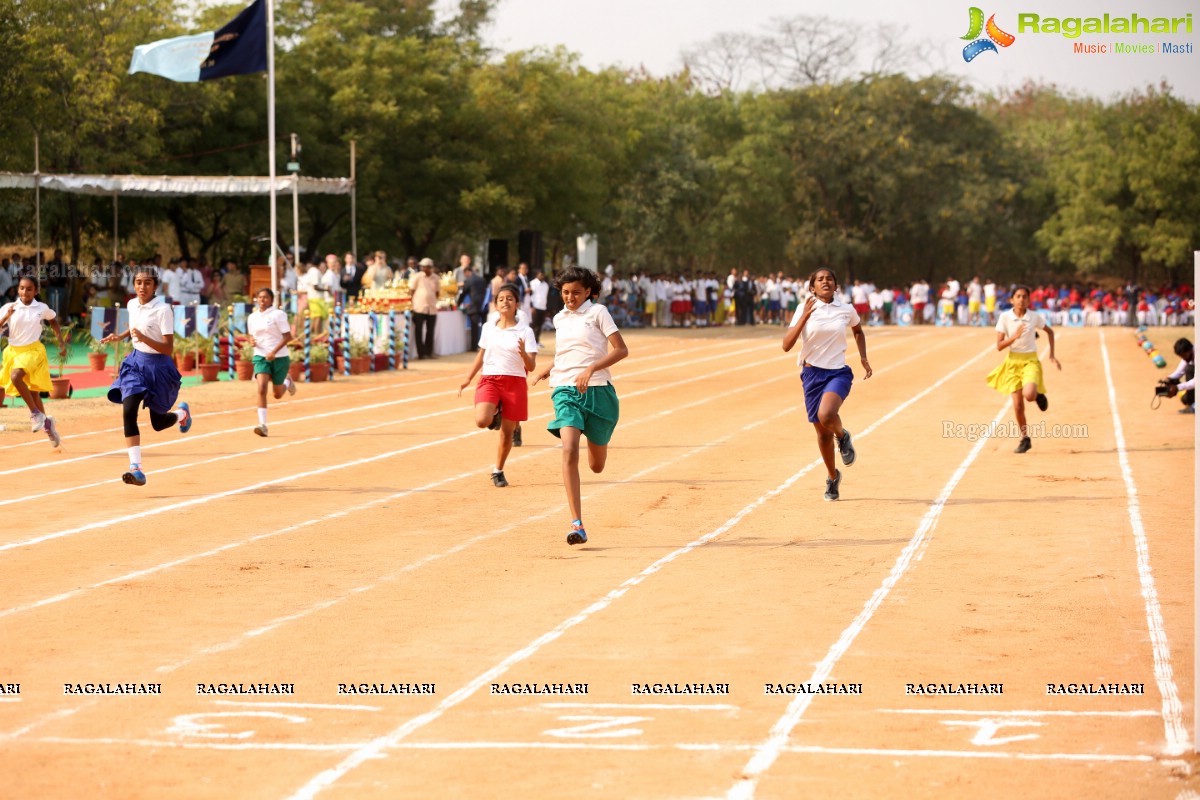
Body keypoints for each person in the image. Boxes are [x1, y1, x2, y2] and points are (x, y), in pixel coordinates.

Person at [531, 266, 629, 545]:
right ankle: (577, 523)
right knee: (569, 448)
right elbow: (566, 354)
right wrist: (546, 369)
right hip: (565, 391)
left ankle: (598, 440)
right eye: (565, 293)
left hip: (598, 393)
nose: (570, 298)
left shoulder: (599, 313)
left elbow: (621, 350)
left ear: (588, 292)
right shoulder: (560, 317)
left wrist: (591, 369)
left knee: (597, 466)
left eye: (576, 292)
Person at [782, 267, 871, 501]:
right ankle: (833, 478)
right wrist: (803, 317)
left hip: (838, 373)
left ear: (836, 285)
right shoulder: (804, 308)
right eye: (820, 280)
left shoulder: (846, 309)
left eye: (829, 278)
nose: (825, 282)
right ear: (812, 287)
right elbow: (786, 345)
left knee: (827, 414)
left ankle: (842, 436)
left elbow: (858, 330)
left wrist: (863, 357)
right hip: (811, 375)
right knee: (822, 435)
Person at [101, 267, 193, 485]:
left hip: (159, 368)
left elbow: (168, 348)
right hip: (135, 363)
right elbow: (135, 328)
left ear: (155, 286)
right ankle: (136, 468)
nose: (142, 287)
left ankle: (181, 414)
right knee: (128, 410)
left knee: (158, 423)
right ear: (134, 284)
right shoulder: (132, 303)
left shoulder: (163, 310)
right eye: (139, 282)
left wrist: (143, 338)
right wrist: (121, 336)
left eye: (147, 283)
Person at [458, 283, 538, 488]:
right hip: (490, 379)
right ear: (495, 304)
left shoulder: (526, 331)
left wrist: (522, 353)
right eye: (501, 299)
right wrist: (468, 377)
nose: (505, 302)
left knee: (507, 434)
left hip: (515, 382)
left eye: (510, 298)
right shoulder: (488, 328)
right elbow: (481, 354)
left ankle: (498, 470)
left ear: (517, 304)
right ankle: (497, 410)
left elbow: (532, 365)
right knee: (482, 420)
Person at [986, 285, 1060, 454]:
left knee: (1029, 395)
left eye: (1025, 296)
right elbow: (999, 346)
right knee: (1018, 406)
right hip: (1012, 363)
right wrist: (1015, 337)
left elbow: (1050, 332)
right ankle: (1025, 439)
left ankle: (1037, 394)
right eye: (1018, 296)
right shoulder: (1005, 317)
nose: (1021, 299)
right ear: (1011, 300)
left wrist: (1052, 355)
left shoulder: (1034, 317)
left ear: (1029, 299)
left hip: (1030, 361)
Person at [0, 275, 66, 447]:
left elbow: (53, 321)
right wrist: (6, 317)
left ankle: (35, 414)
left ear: (36, 291)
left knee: (16, 377)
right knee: (33, 392)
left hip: (33, 351)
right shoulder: (9, 307)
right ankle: (48, 426)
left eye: (29, 289)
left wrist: (61, 342)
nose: (25, 292)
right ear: (17, 289)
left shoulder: (41, 307)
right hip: (13, 352)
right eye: (22, 288)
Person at [247, 288, 297, 436]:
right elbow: (251, 335)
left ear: (271, 300)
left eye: (266, 297)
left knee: (277, 394)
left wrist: (274, 352)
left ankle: (287, 383)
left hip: (279, 357)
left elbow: (288, 337)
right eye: (260, 297)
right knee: (262, 388)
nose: (262, 300)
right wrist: (251, 341)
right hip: (261, 356)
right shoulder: (252, 317)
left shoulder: (278, 315)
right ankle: (263, 425)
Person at [410, 257, 440, 359]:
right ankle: (421, 353)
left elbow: (437, 292)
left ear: (430, 267)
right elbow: (411, 290)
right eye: (422, 266)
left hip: (431, 307)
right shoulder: (417, 277)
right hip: (419, 307)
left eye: (426, 267)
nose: (424, 268)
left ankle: (429, 352)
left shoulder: (436, 278)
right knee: (419, 331)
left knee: (430, 331)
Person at [457, 264, 488, 352]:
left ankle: (474, 346)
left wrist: (459, 303)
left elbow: (463, 293)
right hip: (483, 306)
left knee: (474, 327)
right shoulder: (482, 279)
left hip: (474, 306)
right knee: (484, 327)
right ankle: (484, 346)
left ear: (467, 272)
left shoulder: (468, 280)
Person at [1164, 337, 1195, 413]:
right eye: (1181, 357)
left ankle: (1193, 406)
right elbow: (1180, 371)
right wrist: (1168, 379)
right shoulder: (1189, 353)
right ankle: (1192, 404)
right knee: (1184, 399)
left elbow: (1197, 381)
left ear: (1190, 350)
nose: (1183, 358)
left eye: (1184, 356)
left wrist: (1177, 387)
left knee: (1190, 370)